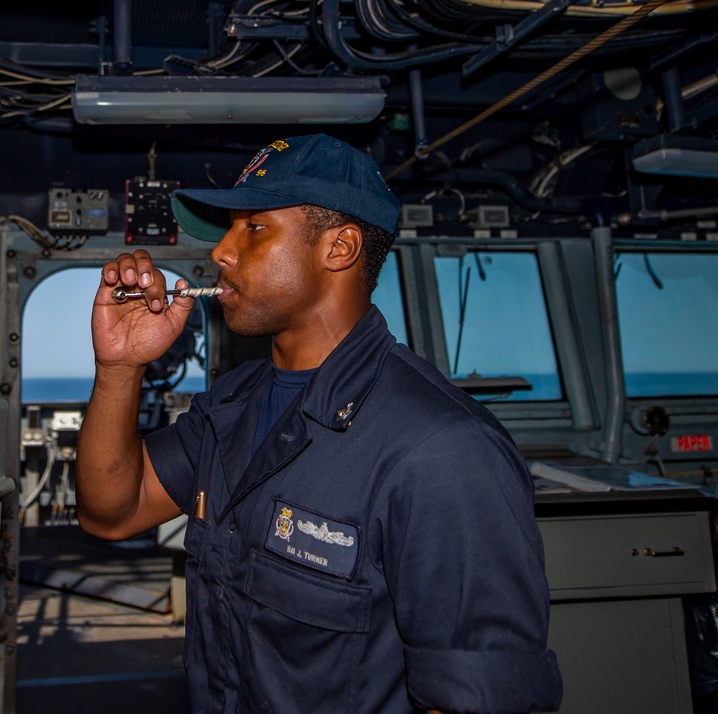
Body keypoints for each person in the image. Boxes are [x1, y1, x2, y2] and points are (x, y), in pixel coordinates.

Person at [76, 133, 562, 713]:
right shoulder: (231, 408)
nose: (221, 253)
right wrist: (119, 366)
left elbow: (475, 701)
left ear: (340, 248)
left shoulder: (443, 450)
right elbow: (112, 510)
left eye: (253, 229)